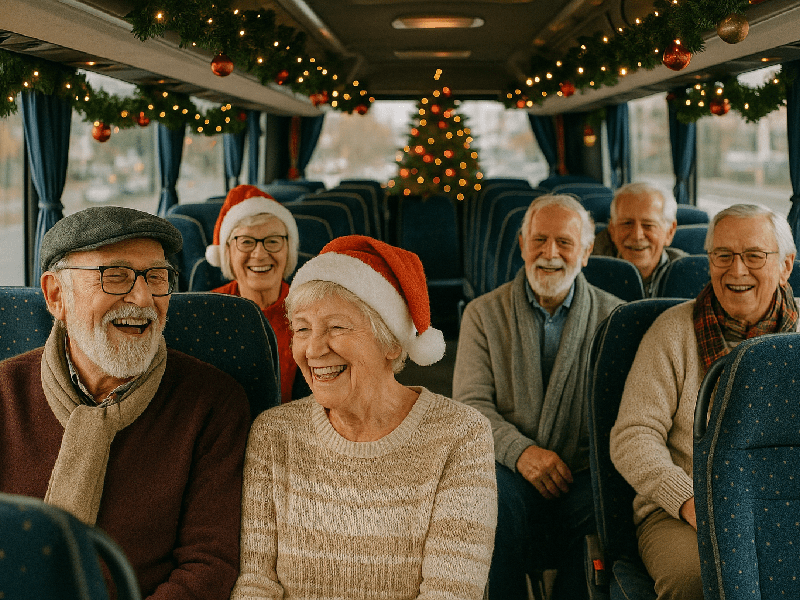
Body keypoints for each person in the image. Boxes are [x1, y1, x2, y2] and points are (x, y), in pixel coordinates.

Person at [0, 206, 250, 600]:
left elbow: (208, 563)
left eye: (157, 277)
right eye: (115, 276)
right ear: (55, 295)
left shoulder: (212, 403)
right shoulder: (3, 392)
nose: (143, 297)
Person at [231, 235, 497, 600]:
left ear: (391, 342)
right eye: (303, 329)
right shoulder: (273, 434)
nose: (313, 349)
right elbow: (256, 582)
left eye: (337, 327)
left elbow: (449, 592)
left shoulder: (460, 436)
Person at [610, 204, 798, 600]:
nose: (737, 270)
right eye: (723, 256)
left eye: (754, 256)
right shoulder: (671, 333)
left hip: (788, 500)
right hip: (684, 510)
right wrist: (687, 499)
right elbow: (632, 436)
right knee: (697, 579)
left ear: (785, 265)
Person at [453, 194, 624, 600]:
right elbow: (471, 408)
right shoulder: (481, 314)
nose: (550, 254)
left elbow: (621, 416)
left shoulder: (616, 317)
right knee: (485, 497)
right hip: (509, 470)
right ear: (521, 243)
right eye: (539, 240)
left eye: (564, 243)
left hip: (582, 473)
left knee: (611, 502)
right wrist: (523, 453)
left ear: (585, 252)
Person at [205, 184, 306, 403]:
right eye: (246, 242)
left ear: (288, 249)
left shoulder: (310, 310)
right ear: (228, 252)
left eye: (272, 241)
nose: (259, 254)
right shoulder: (206, 311)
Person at [592, 183, 686, 295]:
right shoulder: (590, 274)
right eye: (627, 223)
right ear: (612, 230)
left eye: (648, 225)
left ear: (669, 232)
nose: (637, 236)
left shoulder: (689, 273)